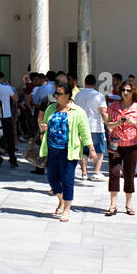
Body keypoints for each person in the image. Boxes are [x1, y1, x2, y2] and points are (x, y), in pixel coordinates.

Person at [39, 81, 91, 222]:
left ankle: (67, 210)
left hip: (68, 151)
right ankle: (61, 200)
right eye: (55, 93)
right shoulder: (51, 108)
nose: (56, 96)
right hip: (52, 150)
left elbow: (85, 132)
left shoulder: (77, 112)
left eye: (59, 94)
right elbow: (44, 124)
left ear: (68, 95)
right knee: (52, 179)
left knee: (67, 180)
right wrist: (43, 128)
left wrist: (91, 149)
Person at [105, 80, 137, 213]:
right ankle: (113, 204)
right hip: (115, 144)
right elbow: (109, 125)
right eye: (123, 90)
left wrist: (135, 123)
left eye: (128, 91)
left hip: (132, 145)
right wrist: (118, 122)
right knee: (114, 173)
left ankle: (128, 204)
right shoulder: (113, 106)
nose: (125, 92)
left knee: (129, 174)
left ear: (133, 92)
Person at [73, 74, 109, 182]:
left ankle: (84, 173)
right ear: (95, 84)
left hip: (81, 126)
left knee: (83, 151)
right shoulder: (99, 95)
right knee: (99, 150)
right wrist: (109, 124)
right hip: (95, 126)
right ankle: (96, 173)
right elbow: (103, 112)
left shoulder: (78, 95)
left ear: (85, 82)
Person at [0, 70, 19, 167]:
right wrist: (8, 85)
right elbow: (15, 98)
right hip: (6, 116)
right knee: (9, 139)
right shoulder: (7, 88)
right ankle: (12, 159)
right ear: (2, 78)